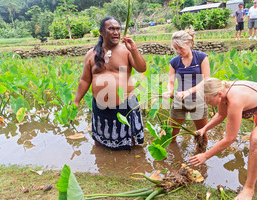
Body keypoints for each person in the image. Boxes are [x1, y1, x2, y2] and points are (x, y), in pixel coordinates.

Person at [189, 77, 257, 200]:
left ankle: (249, 188)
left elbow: (230, 138)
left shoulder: (235, 99)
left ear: (218, 94)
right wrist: (204, 129)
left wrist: (206, 155)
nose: (207, 104)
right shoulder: (222, 90)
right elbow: (220, 115)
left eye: (208, 101)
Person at [74, 17, 147, 150]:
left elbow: (142, 68)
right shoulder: (91, 54)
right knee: (100, 142)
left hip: (125, 104)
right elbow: (85, 80)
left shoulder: (126, 51)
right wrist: (76, 101)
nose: (116, 32)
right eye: (111, 29)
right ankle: (103, 166)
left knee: (130, 143)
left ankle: (128, 166)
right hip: (100, 106)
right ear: (101, 32)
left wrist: (134, 50)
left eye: (118, 28)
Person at [163, 29, 210, 142]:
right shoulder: (174, 62)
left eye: (180, 48)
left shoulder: (201, 57)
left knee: (201, 134)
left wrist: (188, 92)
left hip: (198, 100)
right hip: (179, 100)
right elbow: (171, 82)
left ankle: (201, 156)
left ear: (188, 43)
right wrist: (169, 91)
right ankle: (174, 158)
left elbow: (206, 80)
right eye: (175, 48)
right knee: (172, 134)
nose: (178, 51)